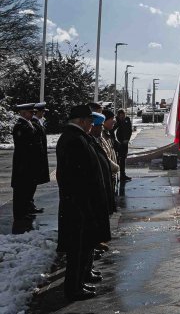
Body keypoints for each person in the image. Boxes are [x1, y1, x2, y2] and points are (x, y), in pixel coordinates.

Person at [56, 104, 110, 301]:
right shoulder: (73, 140)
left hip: (81, 204)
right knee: (77, 249)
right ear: (81, 121)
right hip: (78, 205)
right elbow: (76, 178)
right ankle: (74, 289)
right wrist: (85, 205)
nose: (91, 125)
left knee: (84, 245)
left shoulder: (77, 138)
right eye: (89, 121)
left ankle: (80, 281)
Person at [11, 103, 39, 227]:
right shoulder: (20, 126)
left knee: (26, 189)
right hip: (23, 164)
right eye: (30, 112)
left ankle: (24, 211)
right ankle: (20, 214)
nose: (32, 114)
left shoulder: (28, 124)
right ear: (23, 113)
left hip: (28, 163)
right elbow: (24, 146)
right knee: (20, 190)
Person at [88, 112, 116, 215]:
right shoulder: (92, 140)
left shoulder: (100, 138)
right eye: (100, 126)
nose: (101, 128)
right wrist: (115, 167)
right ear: (94, 127)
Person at [113, 108, 133, 182]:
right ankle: (116, 174)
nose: (123, 117)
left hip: (125, 142)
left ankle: (122, 175)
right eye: (121, 116)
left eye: (124, 115)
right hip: (119, 142)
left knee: (123, 158)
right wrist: (116, 141)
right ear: (118, 116)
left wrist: (127, 139)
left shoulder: (127, 119)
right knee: (117, 159)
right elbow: (112, 131)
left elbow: (129, 130)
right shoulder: (116, 121)